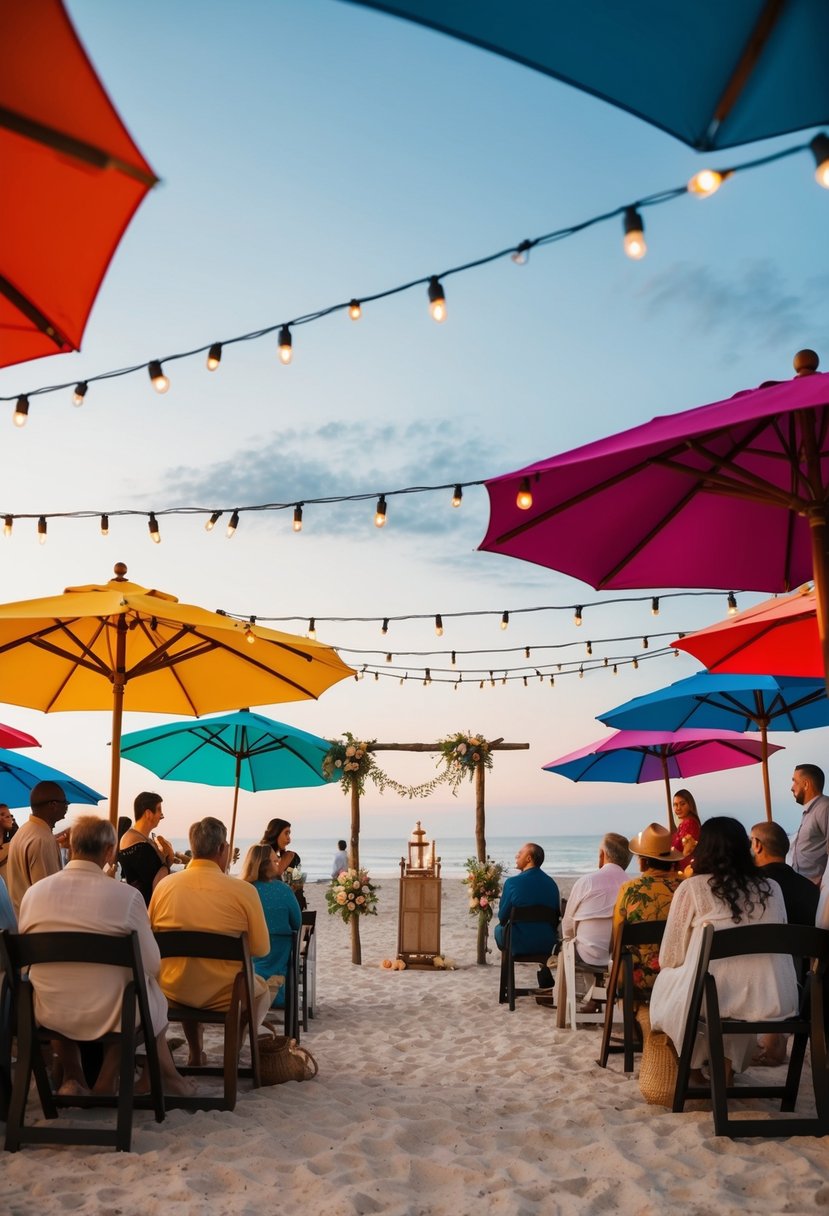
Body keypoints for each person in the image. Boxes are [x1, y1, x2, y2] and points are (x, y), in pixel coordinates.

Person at [17, 815, 193, 1097]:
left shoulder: (34, 895)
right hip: (112, 1014)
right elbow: (152, 965)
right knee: (141, 991)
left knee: (61, 985)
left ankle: (73, 1077)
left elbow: (26, 960)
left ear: (70, 847)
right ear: (110, 851)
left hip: (49, 1013)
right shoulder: (127, 897)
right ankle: (105, 1083)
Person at [649, 816, 797, 1083]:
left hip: (710, 1000)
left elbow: (670, 955)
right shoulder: (771, 888)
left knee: (679, 983)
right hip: (768, 998)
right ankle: (727, 1067)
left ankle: (693, 1068)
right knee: (740, 980)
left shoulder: (693, 888)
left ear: (703, 848)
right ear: (744, 847)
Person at [149, 816, 270, 1067]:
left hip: (173, 988)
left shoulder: (164, 887)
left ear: (194, 848)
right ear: (221, 849)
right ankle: (233, 1050)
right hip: (225, 994)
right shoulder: (244, 891)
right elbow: (260, 949)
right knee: (260, 992)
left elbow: (151, 939)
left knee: (188, 970)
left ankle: (195, 1052)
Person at [750, 820, 820, 1067]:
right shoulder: (809, 889)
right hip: (807, 988)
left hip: (765, 987)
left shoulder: (752, 888)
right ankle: (774, 1040)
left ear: (757, 846)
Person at [611, 822, 683, 1000]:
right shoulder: (684, 888)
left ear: (643, 862)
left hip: (638, 976)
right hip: (680, 974)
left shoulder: (630, 889)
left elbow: (617, 934)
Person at [562, 832, 632, 992]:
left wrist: (567, 944)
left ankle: (590, 994)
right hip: (621, 957)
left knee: (571, 938)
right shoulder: (632, 886)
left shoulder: (586, 882)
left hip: (588, 954)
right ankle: (596, 995)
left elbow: (567, 924)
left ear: (602, 855)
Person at [241, 843, 302, 1008]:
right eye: (275, 862)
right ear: (265, 864)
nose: (278, 865)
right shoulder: (283, 890)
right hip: (279, 950)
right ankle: (273, 993)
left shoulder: (243, 890)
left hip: (249, 949)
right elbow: (297, 922)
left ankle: (254, 990)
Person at [494, 842, 560, 990]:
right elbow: (556, 918)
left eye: (520, 853)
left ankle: (508, 989)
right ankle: (543, 969)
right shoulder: (552, 884)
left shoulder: (512, 883)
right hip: (546, 944)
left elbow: (502, 917)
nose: (516, 856)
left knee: (499, 929)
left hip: (518, 943)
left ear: (529, 858)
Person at [6, 781, 66, 918]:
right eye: (65, 802)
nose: (67, 807)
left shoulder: (23, 832)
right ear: (53, 805)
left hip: (23, 921)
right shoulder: (42, 839)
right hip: (39, 927)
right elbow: (49, 895)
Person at [119, 792, 177, 905]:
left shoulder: (143, 840)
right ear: (148, 813)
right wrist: (166, 856)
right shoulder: (136, 842)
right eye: (159, 810)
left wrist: (166, 858)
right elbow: (157, 883)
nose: (162, 816)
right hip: (143, 909)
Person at [789, 764, 829, 883]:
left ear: (806, 784)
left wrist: (823, 883)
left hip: (814, 888)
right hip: (804, 885)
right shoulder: (811, 811)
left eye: (795, 782)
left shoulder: (824, 808)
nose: (792, 788)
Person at [262, 816, 306, 910]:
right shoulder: (260, 857)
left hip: (288, 906)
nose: (289, 839)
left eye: (289, 834)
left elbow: (298, 886)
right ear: (275, 833)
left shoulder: (292, 858)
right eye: (286, 833)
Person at [671, 788, 701, 862]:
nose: (678, 808)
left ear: (690, 805)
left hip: (685, 870)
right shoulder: (684, 824)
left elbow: (688, 854)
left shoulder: (689, 823)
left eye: (682, 804)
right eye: (675, 805)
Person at [0, 803, 18, 886]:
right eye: (2, 814)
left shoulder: (9, 840)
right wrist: (16, 840)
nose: (9, 817)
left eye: (10, 815)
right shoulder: (12, 843)